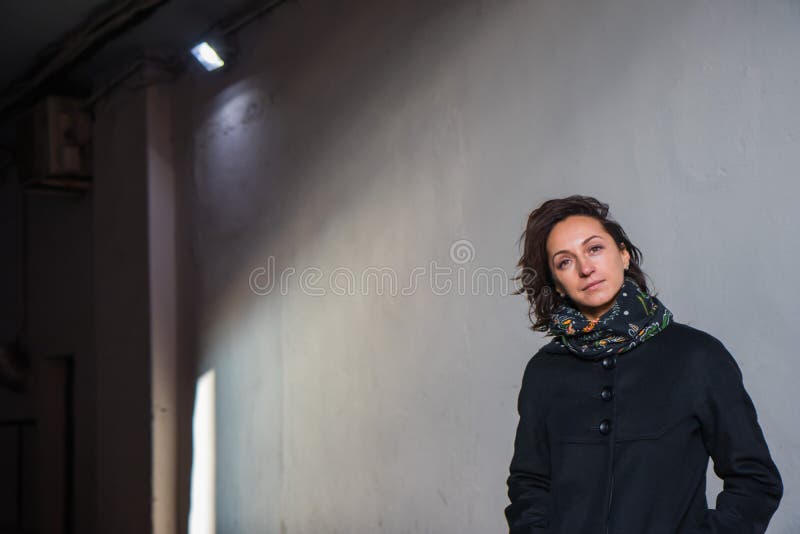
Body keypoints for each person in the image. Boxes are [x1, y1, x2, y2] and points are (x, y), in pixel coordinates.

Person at [505, 195, 783, 534]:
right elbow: (529, 484)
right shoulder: (544, 371)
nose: (585, 268)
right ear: (557, 284)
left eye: (594, 249)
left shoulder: (697, 357)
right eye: (564, 262)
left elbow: (755, 480)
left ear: (623, 254)